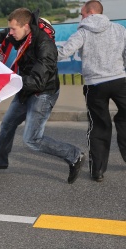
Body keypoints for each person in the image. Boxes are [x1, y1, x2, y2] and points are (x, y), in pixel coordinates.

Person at [0, 8, 85, 184]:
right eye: (10, 29)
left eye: (13, 29)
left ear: (26, 26)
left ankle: (74, 155)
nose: (10, 33)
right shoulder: (23, 32)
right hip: (25, 88)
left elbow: (38, 81)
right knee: (7, 124)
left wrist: (7, 81)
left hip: (42, 93)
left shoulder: (45, 46)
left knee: (32, 139)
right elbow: (8, 33)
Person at [57, 0, 126, 182]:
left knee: (99, 126)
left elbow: (64, 52)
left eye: (81, 13)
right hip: (120, 81)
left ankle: (98, 171)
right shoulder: (119, 29)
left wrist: (42, 52)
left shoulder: (83, 32)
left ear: (89, 12)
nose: (81, 17)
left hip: (95, 85)